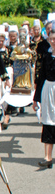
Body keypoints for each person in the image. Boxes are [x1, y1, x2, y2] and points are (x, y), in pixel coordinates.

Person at [33, 29, 55, 168]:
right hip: (48, 89)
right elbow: (41, 77)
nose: (53, 42)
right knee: (48, 121)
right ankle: (47, 157)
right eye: (51, 39)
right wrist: (36, 99)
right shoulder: (47, 57)